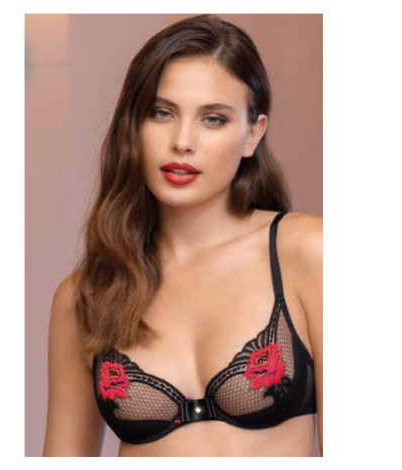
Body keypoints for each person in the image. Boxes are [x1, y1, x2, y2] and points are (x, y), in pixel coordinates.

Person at [43, 14, 322, 457]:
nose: (183, 141)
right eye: (161, 113)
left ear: (253, 134)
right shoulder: (85, 295)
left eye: (213, 119)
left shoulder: (308, 253)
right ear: (133, 125)